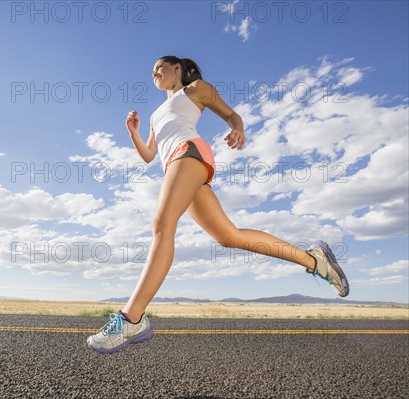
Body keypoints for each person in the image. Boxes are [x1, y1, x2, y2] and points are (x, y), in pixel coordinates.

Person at [86, 55, 350, 354]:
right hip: (175, 164)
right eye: (151, 71)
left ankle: (131, 319)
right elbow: (149, 155)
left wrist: (238, 129)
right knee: (228, 237)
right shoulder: (156, 114)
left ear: (178, 69)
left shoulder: (195, 89)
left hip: (190, 153)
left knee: (162, 226)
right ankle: (315, 260)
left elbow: (231, 115)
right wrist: (133, 132)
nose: (155, 73)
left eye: (160, 68)